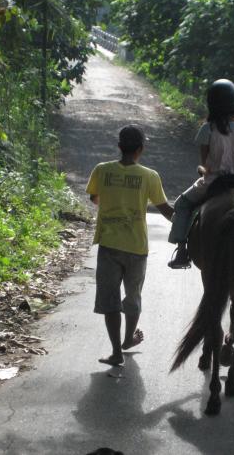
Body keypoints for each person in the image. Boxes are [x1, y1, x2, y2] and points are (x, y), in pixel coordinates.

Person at [86, 124, 173, 365]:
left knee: (110, 300)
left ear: (119, 147)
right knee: (132, 297)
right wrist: (187, 224)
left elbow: (95, 198)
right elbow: (165, 210)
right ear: (140, 149)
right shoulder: (149, 176)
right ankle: (128, 339)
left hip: (109, 245)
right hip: (137, 247)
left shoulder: (101, 170)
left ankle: (116, 353)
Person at [168, 78, 234, 269]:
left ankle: (182, 251)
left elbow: (206, 164)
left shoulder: (207, 129)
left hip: (215, 180)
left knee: (182, 204)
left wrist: (203, 170)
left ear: (211, 103)